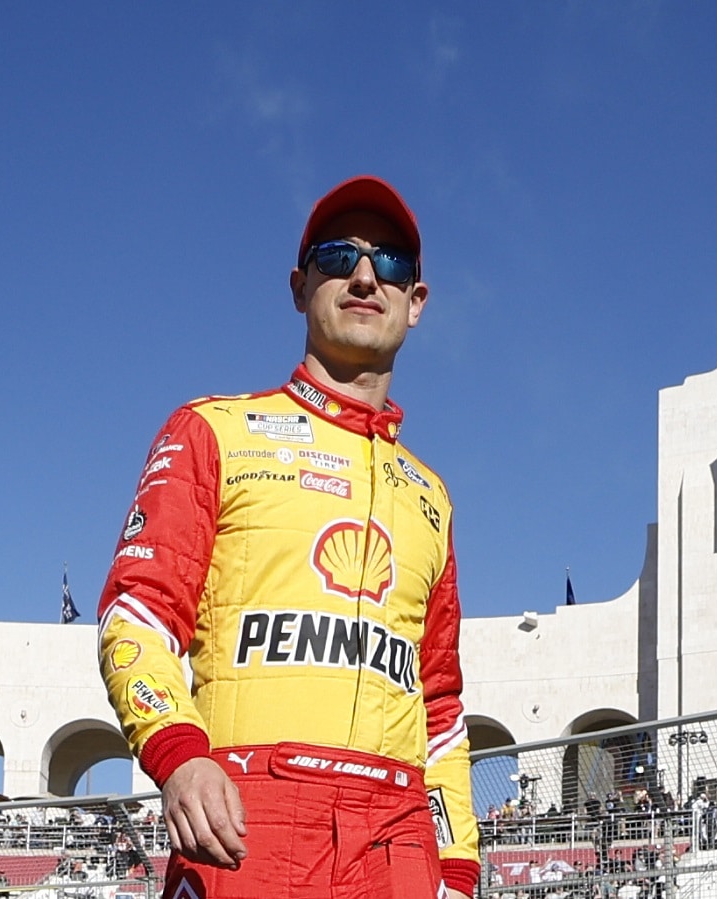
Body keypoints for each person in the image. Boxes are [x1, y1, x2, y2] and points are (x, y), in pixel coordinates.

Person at [96, 175, 478, 899]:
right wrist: (179, 755)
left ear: (416, 302)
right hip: (251, 816)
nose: (365, 276)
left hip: (398, 836)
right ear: (301, 287)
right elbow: (136, 613)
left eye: (391, 262)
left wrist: (457, 865)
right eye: (339, 256)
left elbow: (440, 705)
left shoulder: (432, 495)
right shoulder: (212, 429)